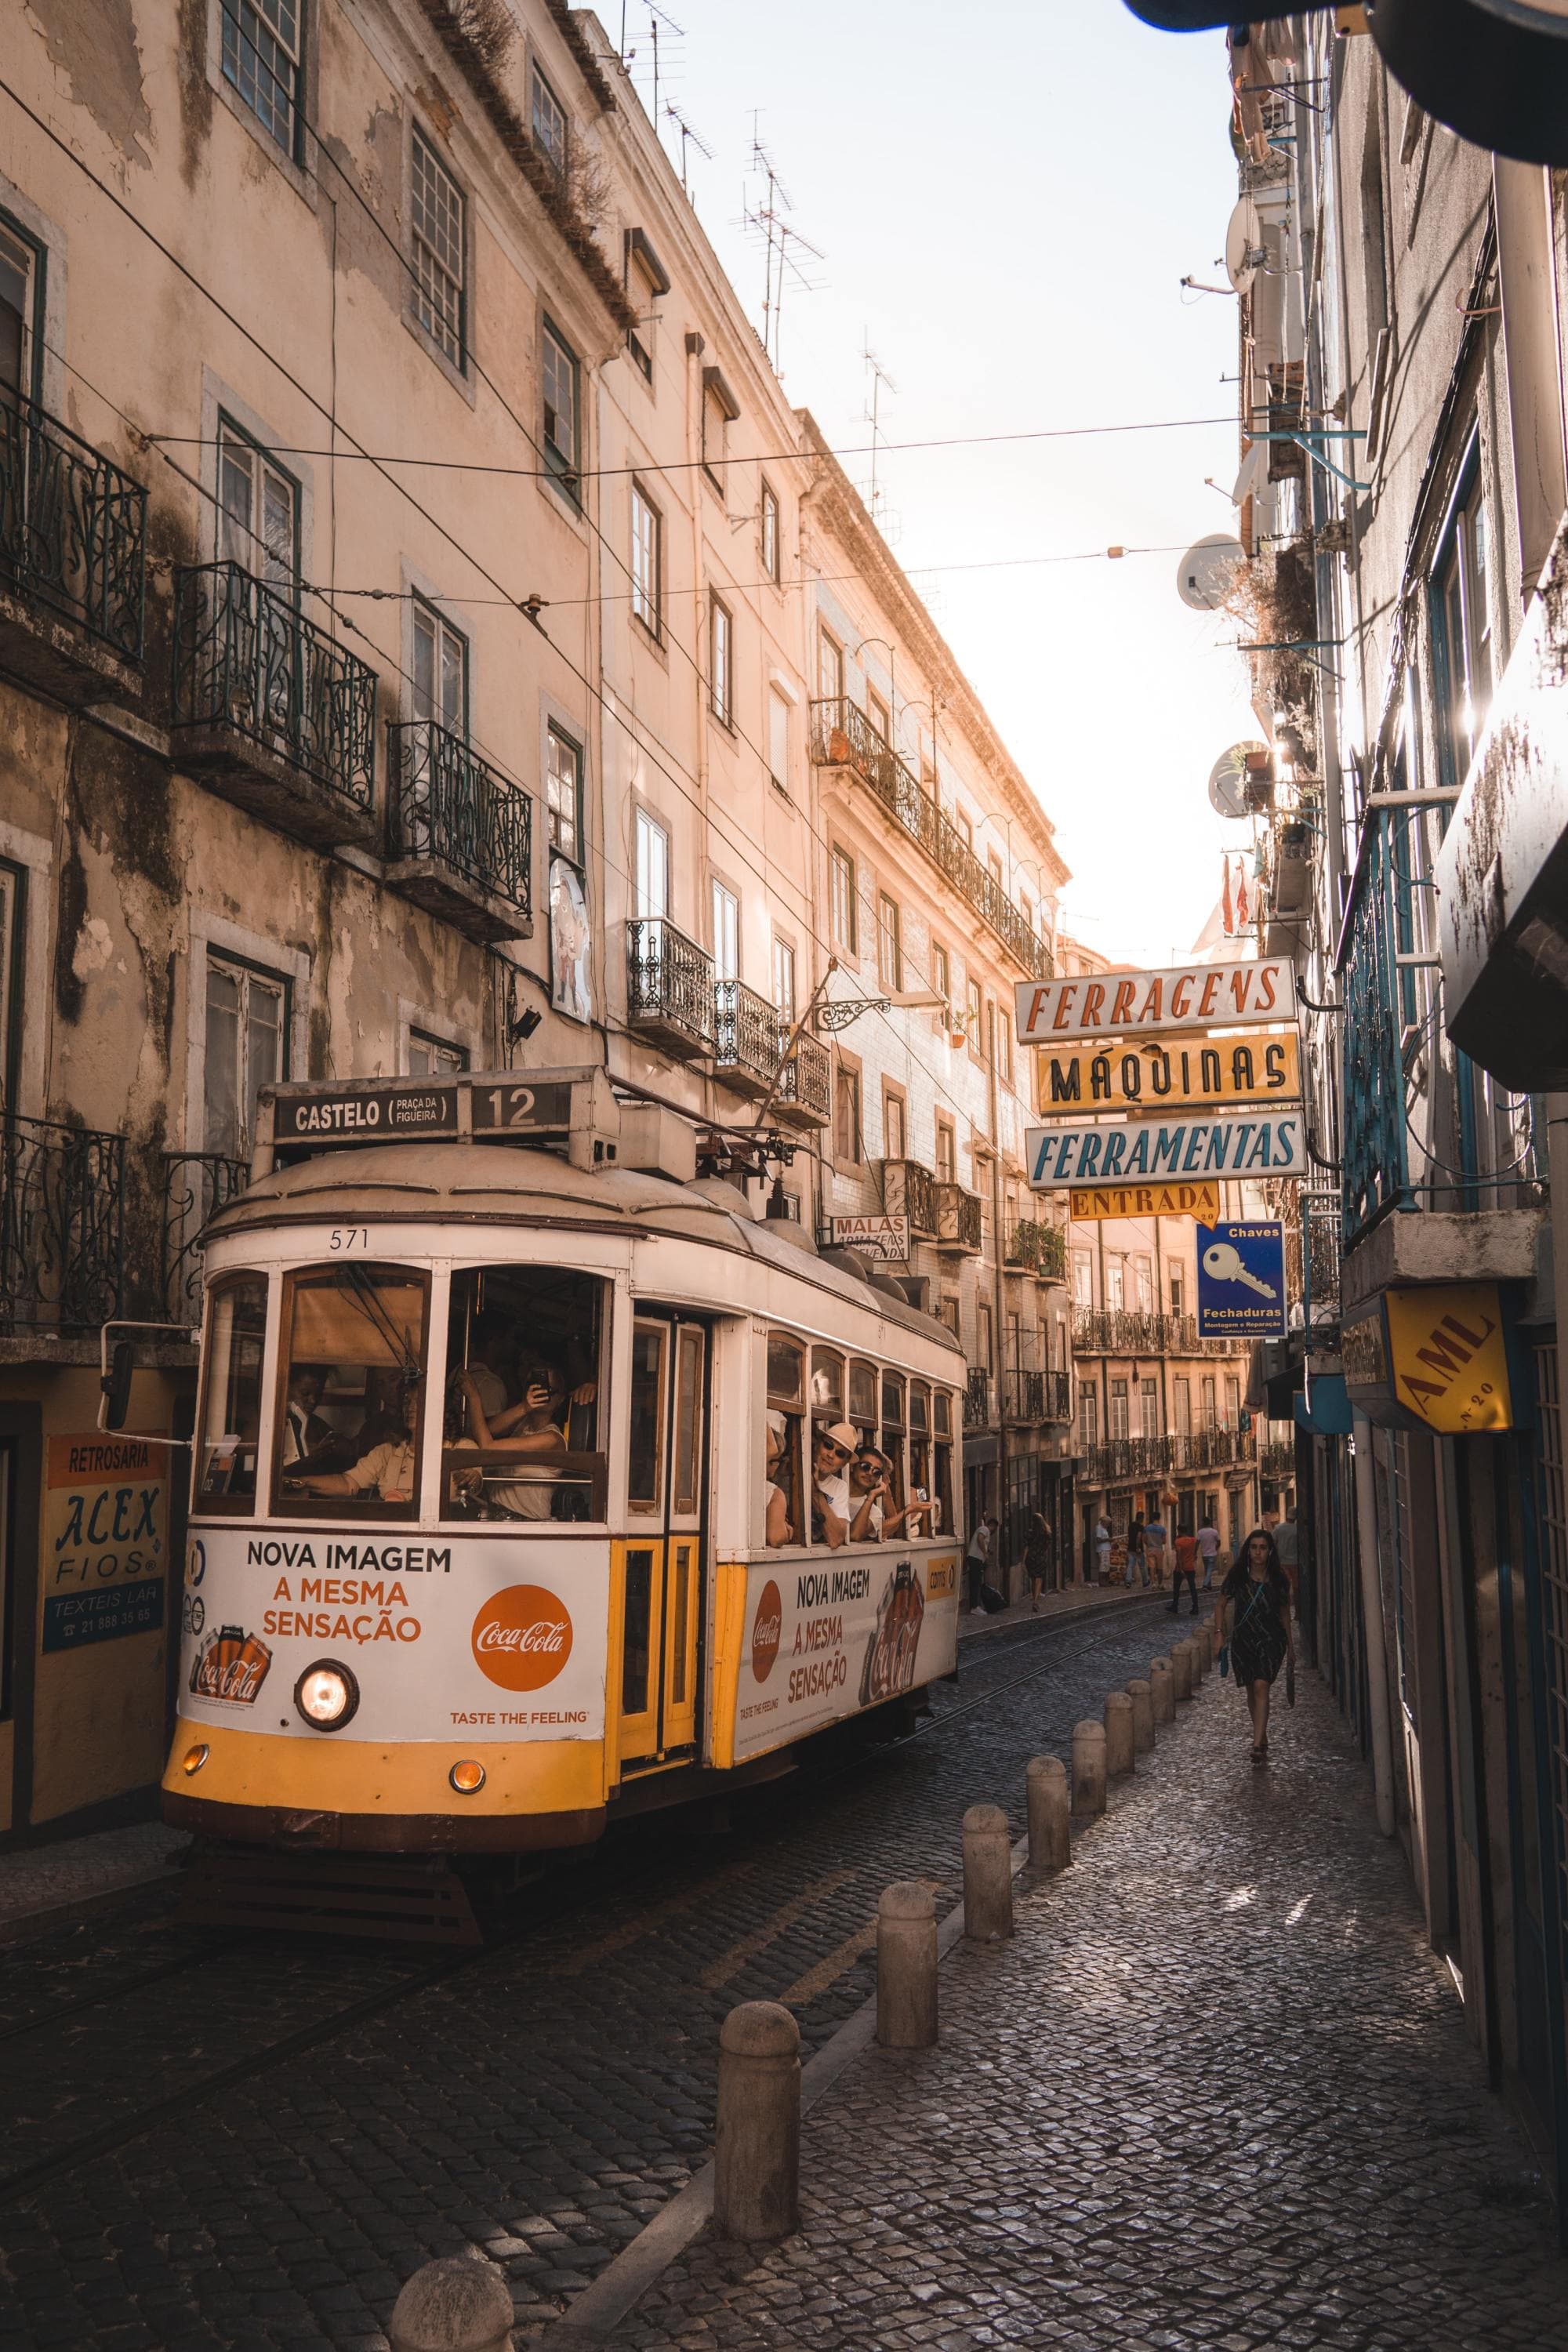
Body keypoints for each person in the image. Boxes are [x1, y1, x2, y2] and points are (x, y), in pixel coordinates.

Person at [1218, 1527, 1296, 1764]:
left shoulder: (1279, 1579)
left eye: (1262, 1548)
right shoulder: (1238, 1575)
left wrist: (1291, 1646)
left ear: (1270, 1551)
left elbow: (1284, 1612)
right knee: (1252, 1689)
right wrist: (1219, 1634)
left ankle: (1256, 1745)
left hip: (1272, 1639)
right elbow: (1221, 1604)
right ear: (1248, 1551)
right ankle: (1261, 1735)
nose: (1258, 1553)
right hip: (1244, 1639)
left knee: (1262, 1685)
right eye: (1254, 1548)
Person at [454, 1365, 566, 1518]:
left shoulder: (552, 1438)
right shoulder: (522, 1424)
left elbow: (488, 1447)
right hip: (499, 1516)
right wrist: (525, 1407)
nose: (540, 1392)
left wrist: (474, 1396)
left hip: (529, 1522)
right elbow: (488, 1430)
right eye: (533, 1386)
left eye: (548, 1389)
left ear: (561, 1399)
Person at [287, 1380, 422, 1504]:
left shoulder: (442, 1454)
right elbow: (349, 1483)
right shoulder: (387, 1452)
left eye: (420, 1401)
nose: (411, 1407)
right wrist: (301, 1481)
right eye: (407, 1402)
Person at [848, 1447, 930, 1541]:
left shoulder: (921, 1492)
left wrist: (907, 1510)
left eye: (913, 1467)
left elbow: (901, 1523)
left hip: (913, 1536)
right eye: (865, 1467)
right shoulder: (837, 1487)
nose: (910, 1471)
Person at [811, 1421, 858, 1549]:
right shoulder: (790, 1473)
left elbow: (835, 1539)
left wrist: (815, 1491)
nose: (831, 1455)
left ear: (844, 1464)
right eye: (828, 1445)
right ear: (817, 1445)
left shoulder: (839, 1487)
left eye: (840, 1454)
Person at [280, 1366, 335, 1466]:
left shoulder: (318, 1425)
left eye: (319, 1394)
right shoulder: (266, 1422)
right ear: (286, 1387)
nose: (313, 1401)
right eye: (305, 1394)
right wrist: (304, 1457)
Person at [764, 1411, 795, 1547]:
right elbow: (776, 1538)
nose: (780, 1464)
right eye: (779, 1460)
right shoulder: (772, 1493)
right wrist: (782, 1526)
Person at [1025, 1511, 1053, 1612]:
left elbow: (1027, 1547)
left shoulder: (1030, 1533)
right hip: (1041, 1557)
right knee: (1039, 1579)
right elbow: (1047, 1547)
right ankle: (1035, 1601)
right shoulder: (1047, 1533)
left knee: (1033, 1578)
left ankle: (1034, 1597)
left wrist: (1024, 1560)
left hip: (1031, 1557)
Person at [1169, 1526, 1200, 1616]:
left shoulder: (1178, 1542)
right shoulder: (1193, 1540)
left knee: (1177, 1588)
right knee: (1192, 1588)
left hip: (1180, 1569)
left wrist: (1181, 1569)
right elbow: (1198, 1542)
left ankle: (1175, 1606)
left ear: (1179, 1531)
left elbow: (1178, 1556)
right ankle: (1195, 1607)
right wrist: (1194, 1554)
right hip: (1191, 1567)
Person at [1273, 1504, 1300, 1610]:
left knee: (1285, 1586)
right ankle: (1298, 1612)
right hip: (1295, 1562)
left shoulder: (1278, 1528)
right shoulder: (1298, 1529)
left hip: (1282, 1562)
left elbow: (1273, 1543)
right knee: (1297, 1588)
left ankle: (1285, 1609)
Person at [965, 1511, 993, 1610]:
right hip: (975, 1559)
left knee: (976, 1582)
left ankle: (976, 1605)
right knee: (976, 1583)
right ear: (993, 1526)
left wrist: (987, 1551)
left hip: (976, 1559)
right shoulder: (985, 1529)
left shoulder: (983, 1529)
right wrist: (985, 1552)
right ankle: (975, 1607)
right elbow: (980, 1539)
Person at [1144, 1511, 1168, 1588]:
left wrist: (1148, 1544)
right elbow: (1164, 1541)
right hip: (1159, 1549)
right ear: (1159, 1518)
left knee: (1152, 1567)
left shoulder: (1147, 1528)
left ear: (1152, 1518)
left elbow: (1144, 1539)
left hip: (1150, 1549)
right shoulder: (1162, 1529)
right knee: (1160, 1567)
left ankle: (1153, 1583)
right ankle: (1160, 1584)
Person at [1196, 1516, 1222, 1592]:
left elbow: (1197, 1543)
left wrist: (1194, 1552)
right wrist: (1216, 1548)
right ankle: (1206, 1585)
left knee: (1207, 1570)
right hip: (1212, 1554)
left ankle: (1208, 1585)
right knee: (1209, 1570)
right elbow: (1219, 1542)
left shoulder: (1200, 1532)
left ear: (1203, 1523)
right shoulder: (1214, 1532)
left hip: (1204, 1554)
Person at [1128, 1514, 1148, 1590]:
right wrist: (1138, 1547)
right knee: (1142, 1566)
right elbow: (1139, 1537)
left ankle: (1128, 1581)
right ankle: (1145, 1581)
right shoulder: (1140, 1527)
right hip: (1138, 1549)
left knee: (1130, 1566)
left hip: (1130, 1548)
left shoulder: (1130, 1525)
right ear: (1141, 1518)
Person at [1094, 1513, 1112, 1584]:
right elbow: (1098, 1540)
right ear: (1104, 1522)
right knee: (1103, 1566)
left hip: (1106, 1549)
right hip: (1102, 1549)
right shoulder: (1099, 1528)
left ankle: (1106, 1581)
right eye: (1108, 1523)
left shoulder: (1104, 1528)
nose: (1108, 1525)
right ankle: (1102, 1582)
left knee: (1106, 1565)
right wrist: (1108, 1539)